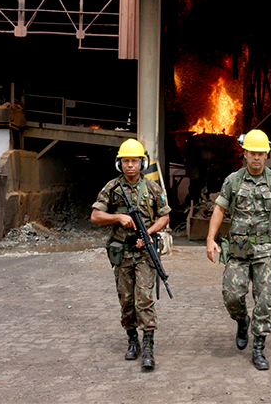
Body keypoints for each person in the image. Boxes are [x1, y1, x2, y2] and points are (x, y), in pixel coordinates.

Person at [206, 129, 271, 371]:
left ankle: (258, 347)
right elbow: (219, 210)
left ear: (266, 154)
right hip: (238, 250)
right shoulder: (233, 180)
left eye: (260, 153)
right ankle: (241, 320)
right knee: (232, 295)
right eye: (252, 153)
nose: (256, 157)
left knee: (264, 300)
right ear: (244, 153)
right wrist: (210, 239)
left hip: (266, 251)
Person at [90, 138, 171, 371]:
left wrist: (149, 233)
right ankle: (132, 340)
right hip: (122, 253)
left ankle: (148, 346)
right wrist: (117, 217)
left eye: (134, 161)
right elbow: (95, 216)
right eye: (126, 161)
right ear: (120, 164)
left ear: (142, 163)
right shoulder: (112, 188)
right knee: (126, 301)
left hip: (144, 253)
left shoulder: (153, 188)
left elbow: (165, 217)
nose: (130, 165)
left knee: (144, 299)